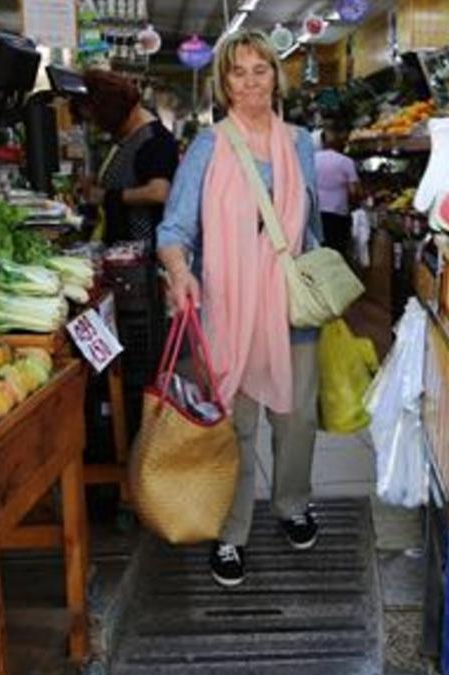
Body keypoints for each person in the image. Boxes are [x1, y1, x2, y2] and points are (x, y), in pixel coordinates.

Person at [156, 30, 324, 588]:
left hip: (290, 305)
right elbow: (175, 228)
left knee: (297, 419)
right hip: (228, 307)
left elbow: (312, 224)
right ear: (223, 83)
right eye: (239, 71)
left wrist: (321, 283)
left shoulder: (299, 142)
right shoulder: (209, 145)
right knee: (237, 424)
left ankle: (292, 504)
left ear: (277, 75)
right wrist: (180, 273)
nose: (251, 80)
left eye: (261, 69)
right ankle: (232, 534)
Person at [74, 69, 179, 245]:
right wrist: (97, 180)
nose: (99, 127)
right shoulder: (127, 137)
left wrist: (106, 196)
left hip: (139, 252)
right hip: (117, 247)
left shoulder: (154, 140)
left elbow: (159, 192)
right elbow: (129, 174)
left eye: (98, 120)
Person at [313, 126, 360, 258]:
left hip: (316, 212)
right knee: (337, 251)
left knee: (318, 249)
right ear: (340, 143)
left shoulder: (312, 159)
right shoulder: (346, 162)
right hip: (338, 213)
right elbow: (354, 191)